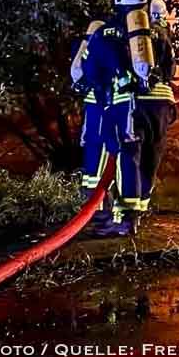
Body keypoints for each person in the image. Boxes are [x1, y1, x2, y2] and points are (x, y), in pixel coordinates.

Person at [79, 0, 159, 237]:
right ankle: (125, 218)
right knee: (128, 156)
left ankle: (105, 215)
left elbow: (87, 70)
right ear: (144, 4)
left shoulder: (102, 32)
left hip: (104, 105)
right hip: (128, 105)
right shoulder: (144, 33)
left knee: (103, 157)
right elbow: (150, 71)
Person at [134, 0, 177, 215]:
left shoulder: (132, 35)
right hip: (159, 103)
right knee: (152, 155)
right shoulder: (162, 35)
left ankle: (127, 208)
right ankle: (141, 205)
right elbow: (170, 72)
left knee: (131, 155)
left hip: (133, 103)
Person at [69, 20, 110, 227]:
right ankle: (99, 210)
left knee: (93, 160)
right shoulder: (102, 48)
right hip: (103, 109)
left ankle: (94, 208)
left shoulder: (83, 49)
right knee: (102, 158)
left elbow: (77, 77)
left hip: (93, 111)